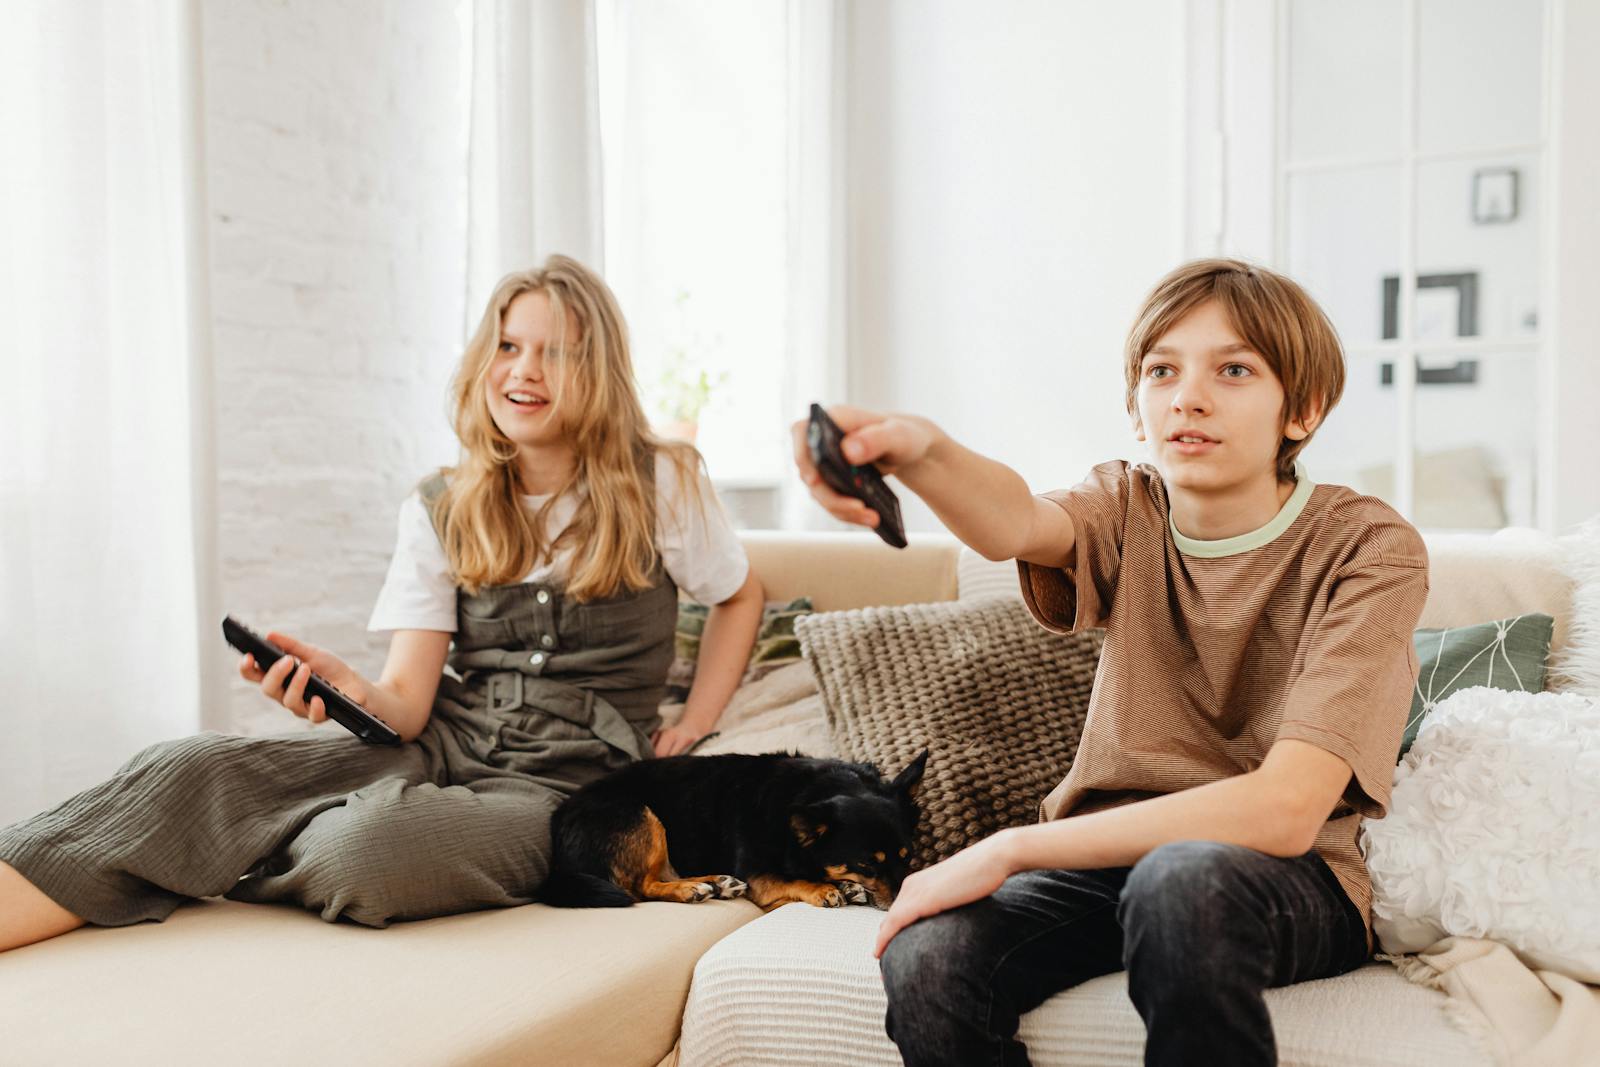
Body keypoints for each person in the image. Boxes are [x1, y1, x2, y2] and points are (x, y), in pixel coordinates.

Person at [0, 254, 765, 954]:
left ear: (597, 369)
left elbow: (739, 594)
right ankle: (161, 841)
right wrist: (347, 690)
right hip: (446, 738)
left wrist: (696, 718)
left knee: (366, 851)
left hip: (571, 784)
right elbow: (405, 703)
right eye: (507, 345)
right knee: (193, 766)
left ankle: (205, 842)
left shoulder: (660, 483)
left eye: (555, 351)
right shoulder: (443, 503)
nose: (524, 370)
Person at [791, 258, 1428, 1065]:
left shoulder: (1369, 547)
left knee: (1182, 883)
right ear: (1137, 406)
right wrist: (917, 448)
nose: (1187, 396)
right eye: (1162, 370)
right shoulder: (1126, 507)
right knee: (931, 952)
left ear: (1302, 408)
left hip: (1284, 877)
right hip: (1108, 863)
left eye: (1233, 369)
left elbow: (1286, 808)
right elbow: (1013, 521)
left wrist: (1008, 845)